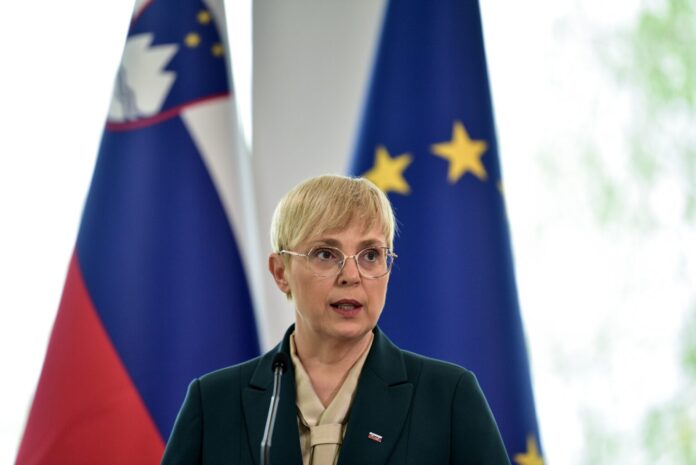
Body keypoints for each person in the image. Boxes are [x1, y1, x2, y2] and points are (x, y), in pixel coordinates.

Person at [161, 174, 510, 465]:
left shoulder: (448, 397)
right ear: (281, 272)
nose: (351, 276)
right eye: (326, 254)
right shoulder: (214, 402)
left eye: (371, 255)